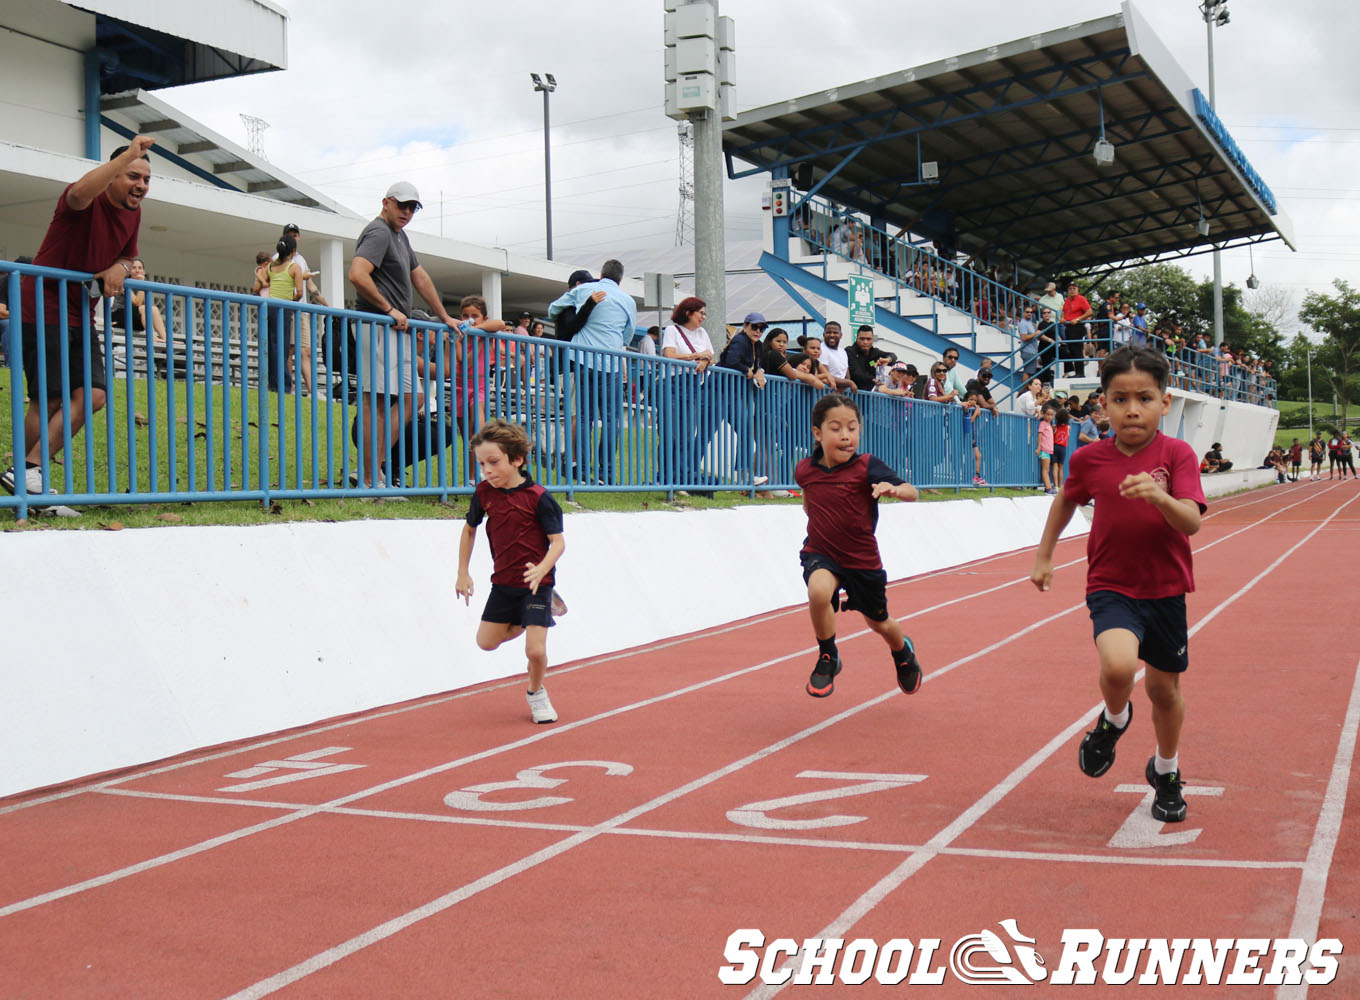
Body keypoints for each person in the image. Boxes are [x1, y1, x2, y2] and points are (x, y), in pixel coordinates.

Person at [1031, 346, 1206, 823]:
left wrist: (1159, 496)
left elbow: (1191, 522)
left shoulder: (1177, 454)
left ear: (1164, 403)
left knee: (1164, 693)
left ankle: (1165, 771)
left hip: (1166, 589)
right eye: (1120, 398)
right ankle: (1114, 718)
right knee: (1117, 666)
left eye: (1145, 398)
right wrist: (1045, 557)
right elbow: (1066, 501)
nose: (1133, 408)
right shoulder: (1090, 459)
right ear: (1103, 404)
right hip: (1111, 585)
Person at [5, 135, 155, 515]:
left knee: (95, 395)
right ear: (114, 176)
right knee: (51, 398)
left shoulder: (133, 214)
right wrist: (128, 155)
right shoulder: (83, 202)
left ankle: (24, 475)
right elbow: (79, 191)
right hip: (42, 302)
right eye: (133, 175)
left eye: (147, 179)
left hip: (80, 309)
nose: (141, 185)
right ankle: (28, 482)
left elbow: (128, 254)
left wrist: (121, 268)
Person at [794, 393, 922, 698]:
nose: (846, 436)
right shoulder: (805, 470)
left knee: (880, 624)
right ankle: (828, 656)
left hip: (862, 560)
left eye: (852, 428)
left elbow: (912, 491)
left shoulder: (866, 466)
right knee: (818, 592)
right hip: (821, 552)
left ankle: (902, 650)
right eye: (836, 428)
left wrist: (894, 489)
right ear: (818, 433)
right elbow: (809, 503)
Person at [348, 181, 461, 489]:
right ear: (386, 202)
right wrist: (388, 309)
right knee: (378, 403)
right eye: (403, 206)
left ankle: (374, 468)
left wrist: (443, 315)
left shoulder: (399, 235)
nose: (408, 212)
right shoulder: (379, 232)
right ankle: (371, 477)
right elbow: (357, 274)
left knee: (415, 397)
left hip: (397, 329)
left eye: (413, 208)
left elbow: (419, 276)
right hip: (378, 325)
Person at [455, 420, 567, 724]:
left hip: (536, 585)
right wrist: (462, 572)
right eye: (481, 464)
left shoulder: (539, 498)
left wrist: (542, 568)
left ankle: (536, 692)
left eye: (493, 462)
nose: (487, 471)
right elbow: (469, 530)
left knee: (535, 651)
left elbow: (558, 543)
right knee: (486, 643)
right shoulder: (484, 493)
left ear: (516, 459)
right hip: (503, 584)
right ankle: (530, 620)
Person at [547, 259, 637, 485]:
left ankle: (584, 472)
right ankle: (606, 474)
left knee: (585, 418)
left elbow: (552, 309)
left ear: (602, 273)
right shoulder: (627, 300)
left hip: (583, 359)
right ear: (621, 278)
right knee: (611, 420)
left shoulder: (584, 289)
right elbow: (628, 334)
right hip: (612, 362)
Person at [660, 296, 715, 490]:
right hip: (674, 383)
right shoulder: (672, 331)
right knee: (672, 433)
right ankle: (666, 477)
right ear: (688, 312)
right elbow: (669, 354)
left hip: (693, 384)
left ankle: (681, 477)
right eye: (700, 313)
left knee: (686, 434)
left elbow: (710, 355)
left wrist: (704, 361)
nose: (703, 317)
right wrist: (695, 356)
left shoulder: (702, 333)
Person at [265, 234, 305, 394]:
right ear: (293, 251)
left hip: (270, 307)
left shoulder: (270, 266)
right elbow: (300, 292)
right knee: (283, 346)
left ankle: (273, 383)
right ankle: (285, 384)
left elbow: (265, 282)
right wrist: (291, 300)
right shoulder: (294, 267)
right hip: (284, 308)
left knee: (273, 346)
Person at [845, 325, 897, 391]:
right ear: (857, 338)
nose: (865, 342)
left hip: (870, 395)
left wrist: (887, 359)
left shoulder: (875, 352)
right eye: (862, 339)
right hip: (852, 393)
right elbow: (855, 373)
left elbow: (893, 356)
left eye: (868, 339)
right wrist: (873, 379)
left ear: (873, 339)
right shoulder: (849, 351)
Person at [1061, 281, 1094, 377]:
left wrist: (1078, 319)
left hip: (1077, 327)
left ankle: (1080, 373)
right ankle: (1077, 372)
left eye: (1074, 288)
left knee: (1077, 350)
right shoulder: (1067, 300)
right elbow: (1064, 312)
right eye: (1070, 289)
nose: (1072, 290)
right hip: (1069, 327)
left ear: (1077, 290)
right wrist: (1062, 318)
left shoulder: (1081, 299)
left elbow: (1089, 311)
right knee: (1072, 350)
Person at [817, 322, 856, 392]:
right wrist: (850, 383)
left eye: (835, 333)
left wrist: (847, 383)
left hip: (838, 394)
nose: (832, 335)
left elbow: (847, 377)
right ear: (823, 334)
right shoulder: (820, 349)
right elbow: (825, 375)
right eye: (828, 332)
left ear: (841, 335)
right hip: (823, 393)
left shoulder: (843, 352)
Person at [1036, 401, 1056, 495]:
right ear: (1043, 414)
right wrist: (1039, 447)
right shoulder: (1043, 424)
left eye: (1051, 415)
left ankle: (1048, 487)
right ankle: (1048, 487)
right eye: (1048, 414)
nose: (1050, 417)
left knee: (1047, 469)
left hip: (1048, 450)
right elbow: (1040, 435)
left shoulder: (1048, 425)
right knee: (1045, 469)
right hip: (1044, 450)